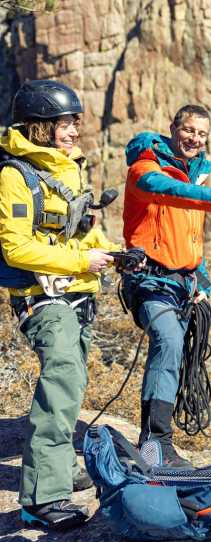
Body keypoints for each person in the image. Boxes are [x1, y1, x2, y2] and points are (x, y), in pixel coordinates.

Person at [0, 80, 117, 529]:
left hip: (78, 292)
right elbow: (16, 248)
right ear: (39, 127)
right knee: (62, 377)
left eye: (74, 122)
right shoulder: (15, 175)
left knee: (72, 384)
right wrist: (80, 260)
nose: (73, 131)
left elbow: (76, 230)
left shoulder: (68, 167)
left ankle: (61, 469)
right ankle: (42, 500)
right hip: (40, 297)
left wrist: (110, 250)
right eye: (65, 123)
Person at [122, 104, 211, 468]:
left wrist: (203, 283)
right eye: (189, 130)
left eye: (201, 134)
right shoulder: (145, 168)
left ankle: (157, 440)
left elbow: (192, 243)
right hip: (149, 280)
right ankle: (154, 443)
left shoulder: (193, 178)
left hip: (182, 284)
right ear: (173, 129)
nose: (194, 139)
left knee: (177, 351)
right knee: (167, 341)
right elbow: (159, 187)